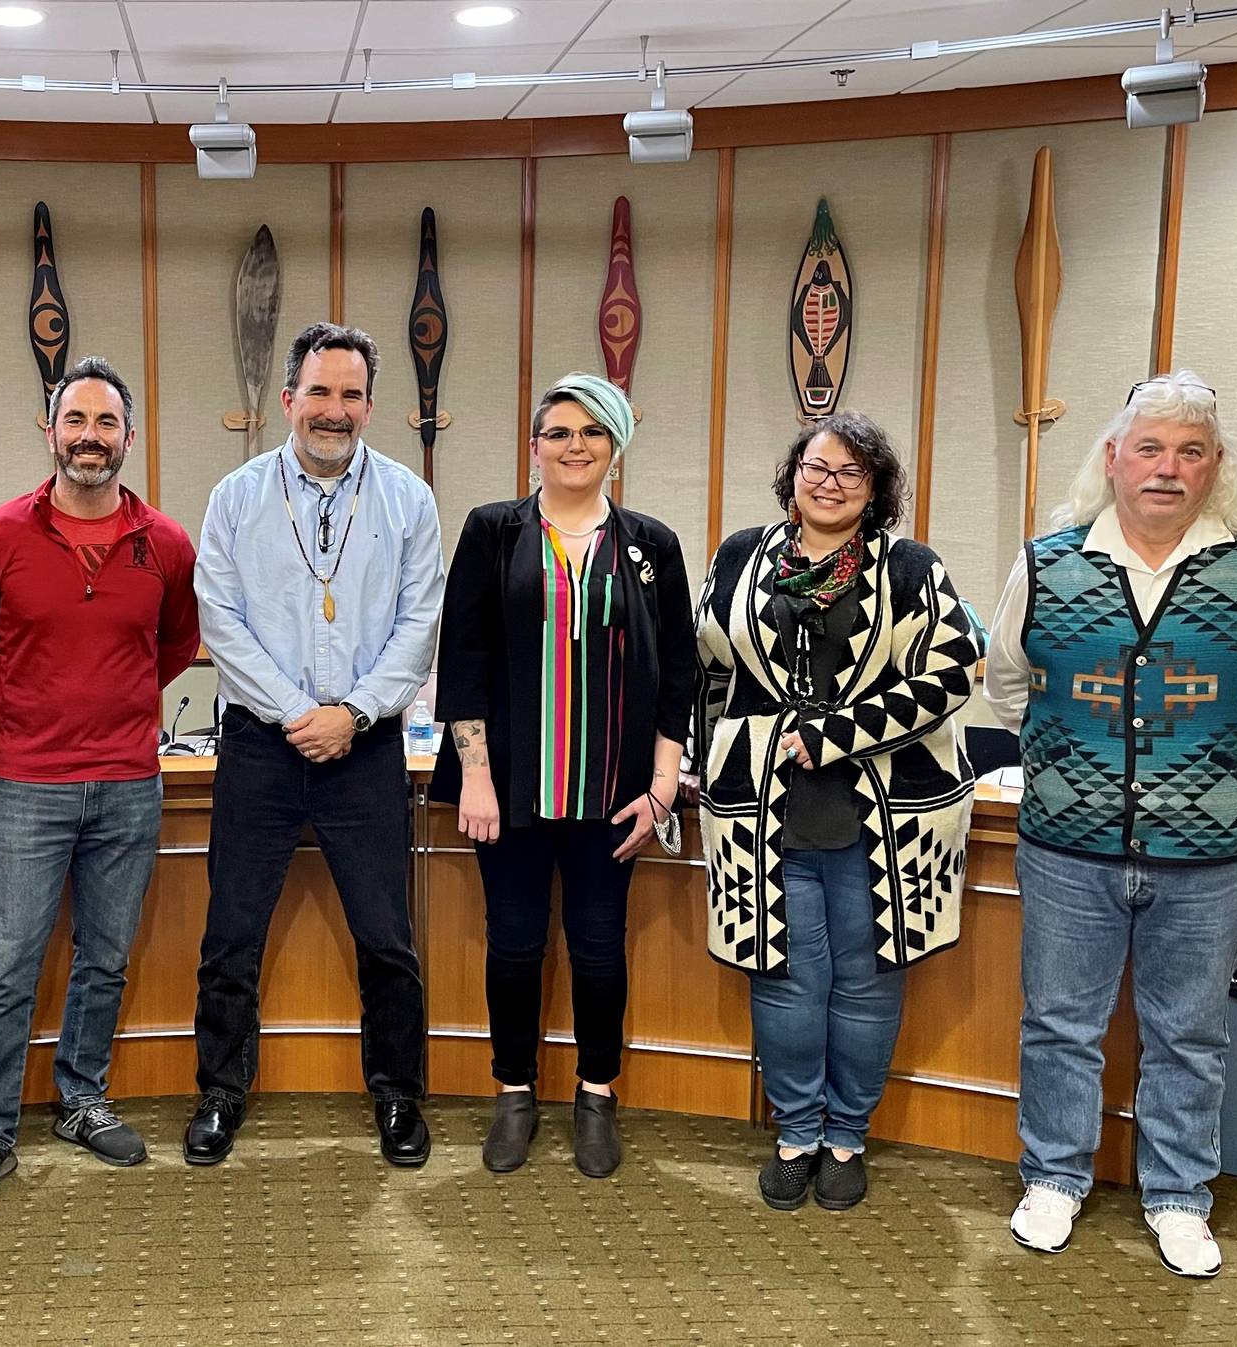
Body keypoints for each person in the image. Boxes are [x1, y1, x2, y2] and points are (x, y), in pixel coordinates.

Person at [986, 371, 1237, 1277]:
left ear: (1216, 468)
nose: (1167, 469)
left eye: (1189, 452)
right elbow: (1008, 683)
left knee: (1191, 1028)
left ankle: (1180, 1196)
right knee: (1060, 1021)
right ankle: (1053, 1176)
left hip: (1211, 858)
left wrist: (1219, 781)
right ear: (1113, 459)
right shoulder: (1050, 559)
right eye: (1149, 448)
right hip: (1067, 848)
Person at [0, 356, 199, 1218]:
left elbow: (174, 648)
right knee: (7, 963)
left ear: (128, 437)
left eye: (107, 423)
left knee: (106, 958)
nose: (90, 438)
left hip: (130, 782)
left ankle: (82, 1097)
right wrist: (27, 697)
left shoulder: (165, 543)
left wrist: (112, 703)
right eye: (75, 421)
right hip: (29, 784)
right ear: (51, 432)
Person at [693, 410, 978, 1212]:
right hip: (759, 808)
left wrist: (839, 735)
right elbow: (709, 668)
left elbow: (955, 670)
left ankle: (847, 1134)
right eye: (818, 467)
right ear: (794, 475)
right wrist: (697, 762)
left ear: (877, 490)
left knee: (864, 980)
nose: (829, 482)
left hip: (885, 814)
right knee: (783, 976)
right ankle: (796, 1133)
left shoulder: (912, 567)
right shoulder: (742, 555)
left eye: (851, 473)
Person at [185, 321, 445, 1167]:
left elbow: (419, 626)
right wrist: (300, 710)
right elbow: (220, 622)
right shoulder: (236, 497)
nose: (334, 410)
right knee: (231, 933)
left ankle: (398, 1095)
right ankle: (221, 1090)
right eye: (320, 392)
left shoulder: (409, 499)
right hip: (261, 745)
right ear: (289, 398)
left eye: (351, 394)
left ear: (372, 404)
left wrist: (356, 714)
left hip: (366, 747)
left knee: (387, 936)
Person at [431, 372, 695, 1178]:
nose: (574, 446)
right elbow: (465, 657)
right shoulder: (493, 530)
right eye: (558, 432)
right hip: (511, 790)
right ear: (534, 445)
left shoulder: (651, 544)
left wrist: (660, 787)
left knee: (598, 949)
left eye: (591, 432)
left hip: (613, 795)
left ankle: (595, 1093)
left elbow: (679, 672)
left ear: (614, 447)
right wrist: (474, 776)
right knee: (512, 946)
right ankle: (513, 1090)